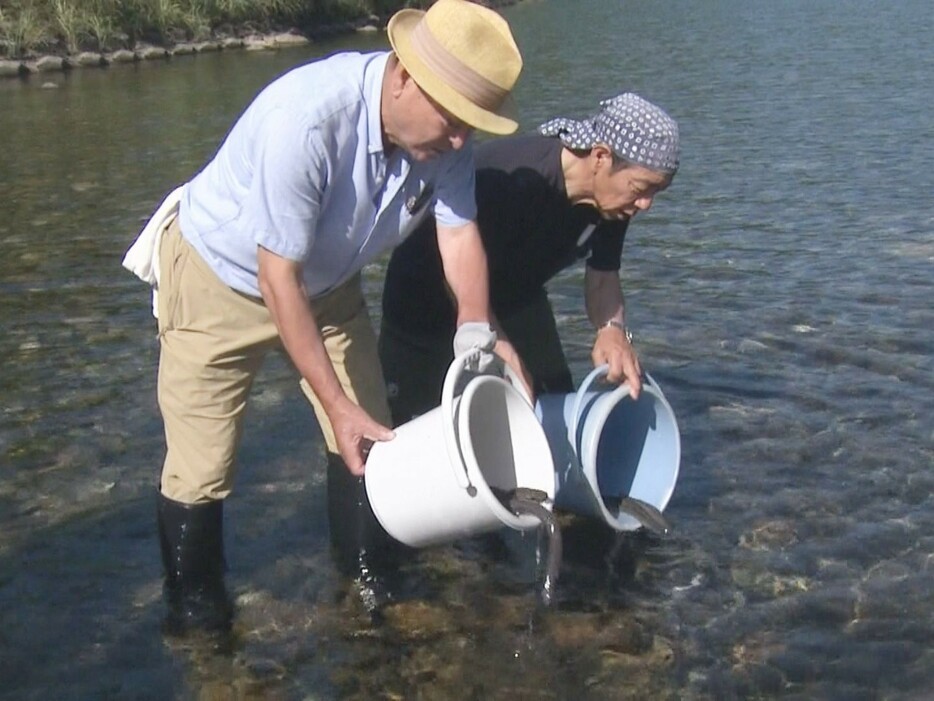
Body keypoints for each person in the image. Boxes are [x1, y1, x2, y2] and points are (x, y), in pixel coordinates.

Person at [124, 0, 525, 636]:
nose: (459, 141)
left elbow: (458, 233)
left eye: (472, 128)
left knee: (372, 436)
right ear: (402, 78)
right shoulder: (307, 120)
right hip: (218, 281)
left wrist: (476, 324)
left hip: (328, 284)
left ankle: (367, 585)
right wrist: (331, 400)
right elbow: (275, 278)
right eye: (453, 122)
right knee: (202, 467)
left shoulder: (447, 138)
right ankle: (197, 615)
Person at [378, 92, 680, 426]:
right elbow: (453, 267)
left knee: (550, 407)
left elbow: (604, 275)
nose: (646, 204)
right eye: (642, 188)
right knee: (419, 430)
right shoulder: (518, 181)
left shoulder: (614, 204)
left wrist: (612, 330)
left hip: (516, 297)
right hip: (426, 302)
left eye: (656, 192)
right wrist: (499, 349)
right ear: (600, 156)